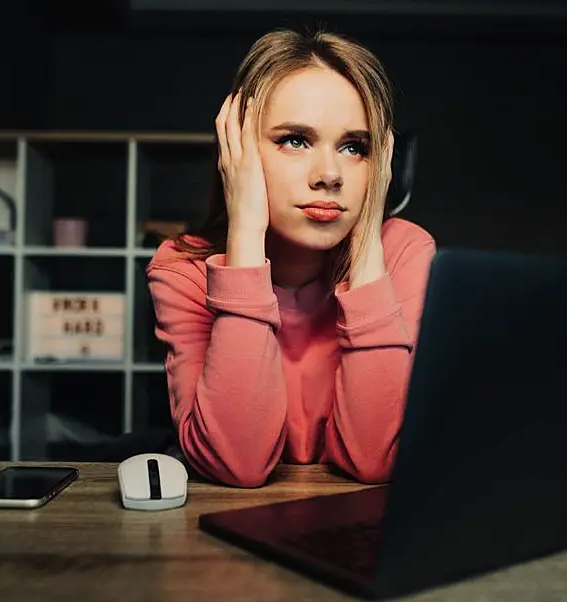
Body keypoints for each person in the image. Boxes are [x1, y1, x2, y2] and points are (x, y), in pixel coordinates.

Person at [145, 28, 436, 488]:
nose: (329, 174)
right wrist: (244, 237)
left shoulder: (403, 253)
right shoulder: (183, 270)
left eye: (354, 147)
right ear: (236, 151)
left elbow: (374, 459)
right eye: (296, 140)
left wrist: (365, 257)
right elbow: (236, 463)